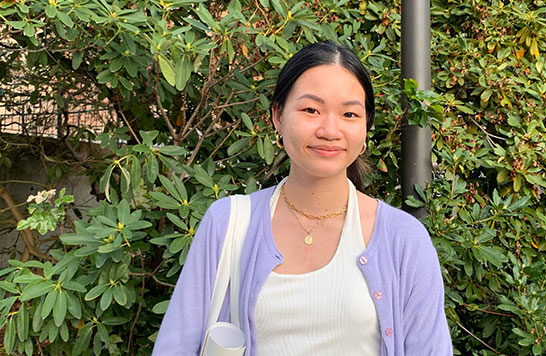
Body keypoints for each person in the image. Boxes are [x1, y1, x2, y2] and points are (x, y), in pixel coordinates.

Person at [153, 41, 452, 356]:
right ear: (278, 117)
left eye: (349, 113)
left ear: (365, 128)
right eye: (311, 109)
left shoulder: (404, 240)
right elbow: (175, 346)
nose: (329, 130)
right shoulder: (227, 224)